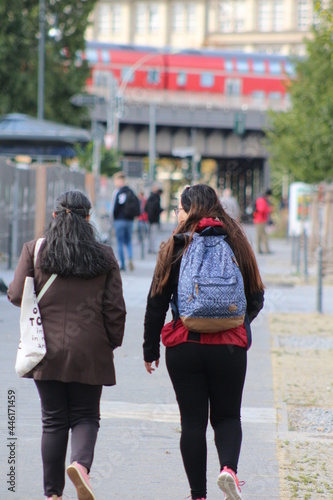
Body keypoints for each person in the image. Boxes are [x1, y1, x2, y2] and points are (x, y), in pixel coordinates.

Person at [143, 184, 264, 500]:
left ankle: (198, 495)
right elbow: (256, 296)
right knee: (227, 416)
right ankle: (228, 470)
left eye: (178, 209)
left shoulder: (175, 246)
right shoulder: (236, 242)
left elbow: (156, 301)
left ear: (188, 210)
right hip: (229, 347)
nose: (176, 214)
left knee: (192, 423)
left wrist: (150, 349)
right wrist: (238, 322)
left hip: (184, 345)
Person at [8, 190, 126, 500]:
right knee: (86, 416)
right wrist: (112, 342)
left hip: (46, 350)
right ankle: (80, 466)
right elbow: (115, 308)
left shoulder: (35, 251)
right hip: (91, 348)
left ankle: (53, 494)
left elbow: (17, 294)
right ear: (89, 218)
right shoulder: (104, 254)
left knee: (53, 419)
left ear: (54, 216)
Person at [111, 172, 138, 271]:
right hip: (130, 221)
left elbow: (115, 207)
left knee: (120, 242)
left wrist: (113, 218)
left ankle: (122, 264)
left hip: (119, 220)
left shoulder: (119, 192)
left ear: (119, 180)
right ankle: (130, 258)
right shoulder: (131, 191)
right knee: (129, 241)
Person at [253, 188, 273, 254]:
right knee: (262, 235)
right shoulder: (262, 200)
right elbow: (261, 209)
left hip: (260, 219)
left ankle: (260, 250)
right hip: (260, 220)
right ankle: (263, 250)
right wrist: (268, 210)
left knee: (260, 235)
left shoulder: (262, 199)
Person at [144, 186, 163, 254]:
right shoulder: (157, 199)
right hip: (155, 219)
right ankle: (152, 249)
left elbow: (145, 208)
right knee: (154, 235)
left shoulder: (149, 198)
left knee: (149, 235)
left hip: (149, 219)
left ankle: (149, 248)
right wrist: (161, 210)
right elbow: (157, 209)